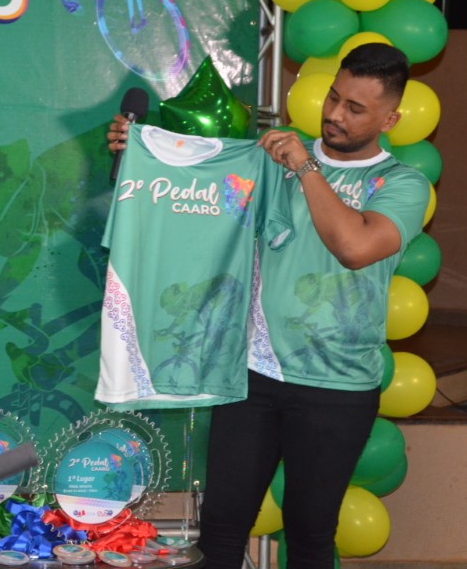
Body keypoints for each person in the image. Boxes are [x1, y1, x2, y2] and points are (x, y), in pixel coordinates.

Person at [107, 43, 430, 569]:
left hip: (337, 386)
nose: (334, 114)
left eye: (355, 108)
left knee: (309, 534)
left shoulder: (400, 183)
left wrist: (306, 167)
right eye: (334, 97)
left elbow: (354, 247)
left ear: (389, 119)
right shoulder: (269, 158)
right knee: (220, 527)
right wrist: (139, 149)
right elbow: (190, 196)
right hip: (251, 374)